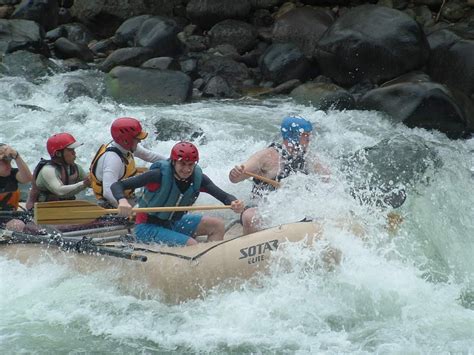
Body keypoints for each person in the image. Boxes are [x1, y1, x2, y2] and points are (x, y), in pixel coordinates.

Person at [112, 141, 244, 246]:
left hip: (173, 223)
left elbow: (224, 196)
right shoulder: (157, 176)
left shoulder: (198, 179)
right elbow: (117, 185)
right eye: (182, 164)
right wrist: (122, 201)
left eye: (190, 164)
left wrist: (234, 202)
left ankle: (212, 265)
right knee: (192, 244)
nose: (187, 169)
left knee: (217, 225)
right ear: (173, 161)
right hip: (146, 227)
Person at [229, 116, 330, 235]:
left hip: (292, 208)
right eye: (306, 135)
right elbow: (235, 178)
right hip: (263, 207)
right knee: (250, 217)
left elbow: (328, 179)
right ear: (293, 136)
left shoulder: (309, 157)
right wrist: (235, 173)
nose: (309, 139)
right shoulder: (267, 156)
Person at [90, 117, 166, 208]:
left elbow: (150, 156)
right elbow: (108, 192)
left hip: (127, 198)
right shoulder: (112, 159)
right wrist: (128, 210)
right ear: (126, 140)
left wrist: (173, 163)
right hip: (110, 204)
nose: (140, 140)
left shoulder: (126, 147)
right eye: (137, 138)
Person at [26, 133, 90, 209]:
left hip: (63, 210)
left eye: (74, 150)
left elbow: (91, 182)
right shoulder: (48, 170)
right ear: (58, 153)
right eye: (70, 150)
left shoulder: (75, 168)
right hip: (41, 212)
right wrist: (84, 183)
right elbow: (60, 191)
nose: (74, 153)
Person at [0, 144, 33, 231]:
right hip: (4, 219)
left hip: (10, 216)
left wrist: (17, 156)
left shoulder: (13, 174)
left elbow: (28, 178)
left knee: (32, 224)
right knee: (17, 225)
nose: (9, 166)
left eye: (10, 162)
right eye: (4, 162)